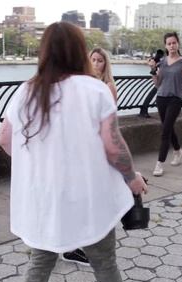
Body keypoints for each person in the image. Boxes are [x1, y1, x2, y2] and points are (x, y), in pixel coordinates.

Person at [0, 21, 148, 282]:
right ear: (79, 51)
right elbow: (113, 147)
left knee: (41, 260)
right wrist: (132, 178)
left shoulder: (26, 90)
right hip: (87, 195)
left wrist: (37, 164)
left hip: (45, 197)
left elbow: (5, 139)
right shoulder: (94, 89)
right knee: (104, 259)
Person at [61, 47, 119, 267]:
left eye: (100, 60)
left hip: (95, 148)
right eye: (92, 59)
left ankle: (79, 243)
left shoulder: (106, 87)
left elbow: (108, 123)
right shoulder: (81, 84)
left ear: (106, 64)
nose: (95, 63)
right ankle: (72, 245)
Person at [148, 31, 182, 177]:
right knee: (168, 128)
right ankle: (177, 151)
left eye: (174, 43)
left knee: (165, 131)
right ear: (165, 45)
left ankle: (159, 164)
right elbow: (157, 84)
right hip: (161, 98)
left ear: (178, 44)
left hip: (175, 99)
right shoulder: (162, 62)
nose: (171, 46)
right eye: (169, 43)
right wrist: (153, 71)